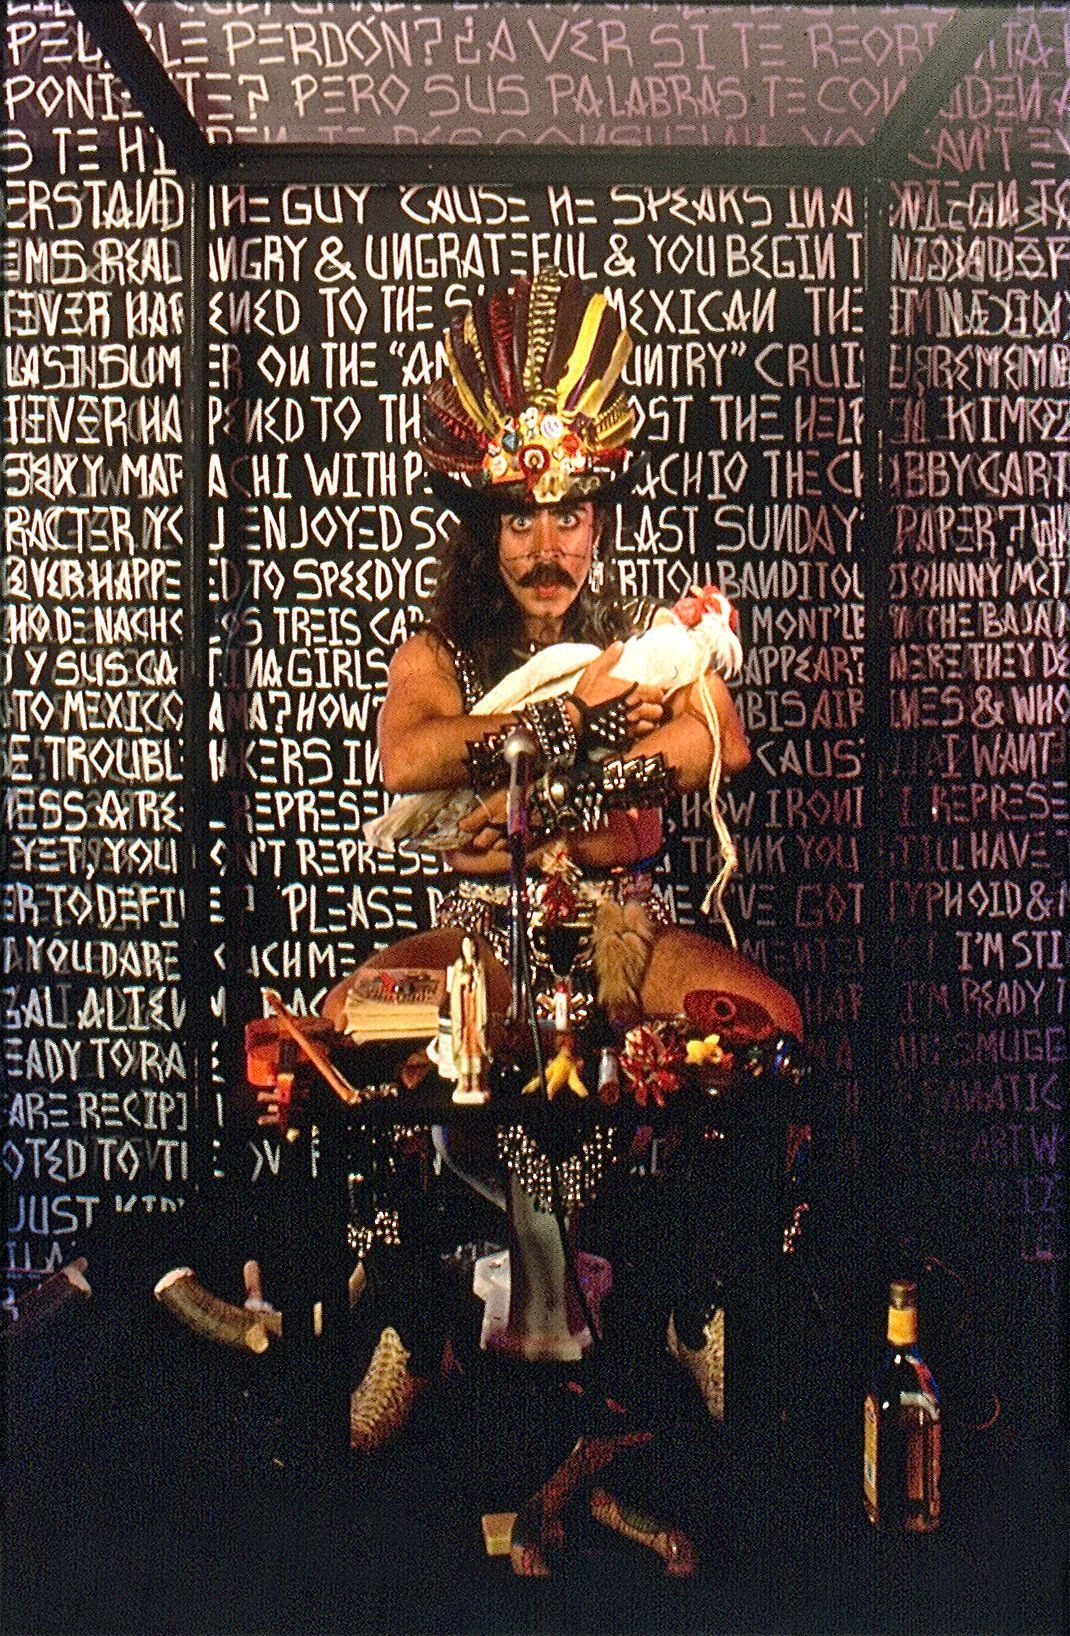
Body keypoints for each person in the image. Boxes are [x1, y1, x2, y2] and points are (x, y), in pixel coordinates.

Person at [340, 267, 802, 1447]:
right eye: (520, 518)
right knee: (353, 1030)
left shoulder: (649, 634)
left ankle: (690, 1304)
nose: (546, 545)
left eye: (568, 516)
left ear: (599, 518)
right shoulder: (437, 646)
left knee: (767, 1027)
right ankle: (408, 1320)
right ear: (486, 525)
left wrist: (547, 789)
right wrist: (578, 718)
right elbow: (408, 757)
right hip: (483, 942)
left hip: (623, 929)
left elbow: (719, 741)